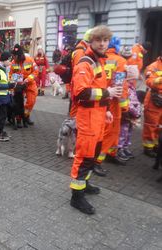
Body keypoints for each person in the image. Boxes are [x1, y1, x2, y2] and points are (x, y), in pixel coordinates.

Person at [69, 26, 122, 214]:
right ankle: (76, 196)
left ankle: (85, 183)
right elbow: (82, 93)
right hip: (88, 119)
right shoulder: (86, 62)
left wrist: (106, 109)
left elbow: (96, 87)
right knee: (84, 157)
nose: (102, 43)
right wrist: (108, 93)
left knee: (94, 154)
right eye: (99, 40)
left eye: (105, 40)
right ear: (91, 42)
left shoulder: (98, 60)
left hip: (98, 117)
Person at [93, 36, 129, 176]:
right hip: (113, 103)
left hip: (101, 98)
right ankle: (97, 161)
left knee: (106, 132)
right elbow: (121, 87)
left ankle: (111, 154)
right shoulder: (120, 61)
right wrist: (125, 107)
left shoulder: (101, 58)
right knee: (110, 133)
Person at [10, 44, 38, 125]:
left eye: (15, 56)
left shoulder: (29, 60)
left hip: (29, 83)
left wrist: (28, 79)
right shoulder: (13, 62)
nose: (13, 57)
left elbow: (35, 72)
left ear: (20, 55)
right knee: (18, 102)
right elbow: (10, 75)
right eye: (13, 55)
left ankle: (25, 115)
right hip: (18, 85)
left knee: (31, 101)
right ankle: (18, 118)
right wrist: (12, 87)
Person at [0, 51, 15, 141]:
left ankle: (1, 131)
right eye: (9, 60)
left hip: (5, 96)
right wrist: (8, 86)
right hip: (1, 97)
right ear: (4, 60)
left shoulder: (4, 69)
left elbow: (3, 82)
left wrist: (10, 84)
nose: (10, 62)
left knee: (3, 116)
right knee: (2, 116)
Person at [142, 51, 162, 157]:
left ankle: (156, 145)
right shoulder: (153, 66)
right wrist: (158, 80)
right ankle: (148, 147)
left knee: (159, 125)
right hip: (154, 100)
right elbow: (149, 81)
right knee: (151, 125)